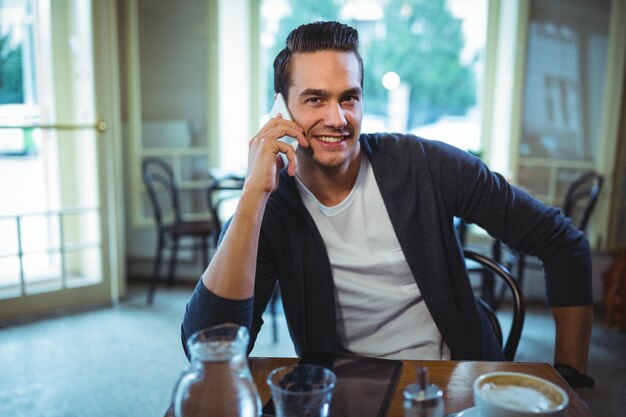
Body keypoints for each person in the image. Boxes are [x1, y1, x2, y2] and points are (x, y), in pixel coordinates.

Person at [182, 21, 592, 381]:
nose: (337, 118)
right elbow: (210, 344)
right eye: (314, 99)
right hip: (344, 387)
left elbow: (563, 244)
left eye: (349, 97)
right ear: (280, 108)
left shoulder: (427, 163)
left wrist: (571, 379)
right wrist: (252, 195)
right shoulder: (273, 206)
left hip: (453, 376)